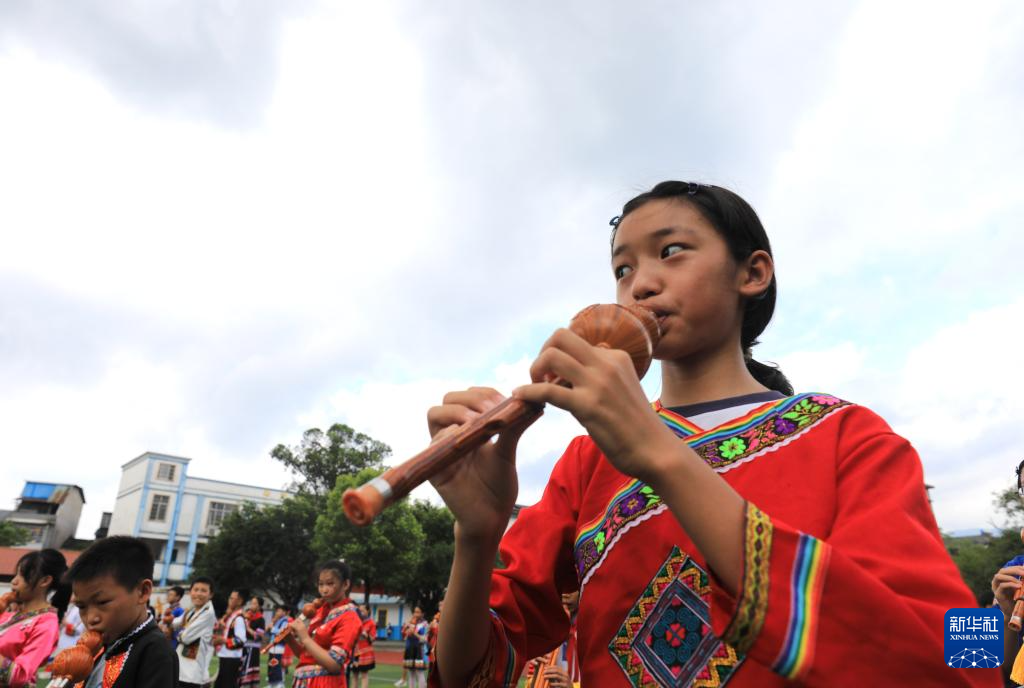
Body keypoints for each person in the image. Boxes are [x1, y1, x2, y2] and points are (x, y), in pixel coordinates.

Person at [429, 181, 1000, 687]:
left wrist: (660, 456)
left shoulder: (850, 437)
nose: (640, 285)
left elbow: (959, 668)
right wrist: (476, 537)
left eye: (670, 252)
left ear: (753, 273)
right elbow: (471, 672)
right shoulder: (584, 463)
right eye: (622, 269)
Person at [67, 535, 177, 687]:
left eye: (102, 602)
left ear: (143, 592)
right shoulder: (101, 644)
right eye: (81, 607)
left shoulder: (155, 652)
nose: (91, 619)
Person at [0, 549, 69, 687]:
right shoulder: (9, 615)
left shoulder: (47, 624)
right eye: (16, 574)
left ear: (45, 581)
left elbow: (20, 675)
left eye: (22, 575)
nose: (14, 581)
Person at [288, 560, 361, 688]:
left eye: (330, 584)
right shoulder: (320, 611)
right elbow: (306, 656)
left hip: (326, 683)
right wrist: (289, 639)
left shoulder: (350, 617)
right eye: (320, 584)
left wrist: (304, 637)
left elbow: (334, 665)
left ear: (345, 584)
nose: (324, 590)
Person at [174, 577, 216, 688]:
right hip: (181, 668)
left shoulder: (208, 613)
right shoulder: (193, 609)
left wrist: (176, 632)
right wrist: (176, 626)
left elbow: (185, 637)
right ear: (190, 592)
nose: (198, 593)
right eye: (196, 589)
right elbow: (176, 622)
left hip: (191, 673)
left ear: (210, 594)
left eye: (203, 590)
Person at [211, 589, 247, 688]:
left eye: (232, 598)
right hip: (226, 656)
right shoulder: (232, 616)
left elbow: (240, 641)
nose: (229, 600)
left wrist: (222, 640)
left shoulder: (238, 619)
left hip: (231, 658)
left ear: (239, 601)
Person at [238, 596, 265, 687]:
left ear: (259, 606)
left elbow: (258, 636)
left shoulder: (261, 619)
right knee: (241, 667)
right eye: (251, 603)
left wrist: (247, 627)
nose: (251, 605)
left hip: (253, 648)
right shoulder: (247, 616)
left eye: (254, 603)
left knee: (248, 668)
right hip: (244, 646)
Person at [401, 607, 428, 688]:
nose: (416, 614)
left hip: (419, 650)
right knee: (411, 672)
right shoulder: (410, 622)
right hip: (409, 649)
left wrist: (414, 633)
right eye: (415, 612)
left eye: (418, 612)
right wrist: (405, 630)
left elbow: (425, 639)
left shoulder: (425, 624)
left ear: (422, 613)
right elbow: (404, 636)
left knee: (419, 672)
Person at [266, 605, 292, 688]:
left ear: (284, 612)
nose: (277, 613)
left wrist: (272, 628)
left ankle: (279, 684)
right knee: (271, 665)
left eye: (279, 611)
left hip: (279, 646)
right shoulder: (277, 621)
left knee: (276, 666)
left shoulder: (285, 621)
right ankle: (272, 683)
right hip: (273, 646)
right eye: (277, 611)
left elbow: (282, 633)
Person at [351, 603, 376, 688]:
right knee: (354, 675)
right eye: (359, 610)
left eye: (362, 610)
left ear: (368, 611)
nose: (360, 612)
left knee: (364, 675)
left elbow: (372, 639)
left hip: (365, 653)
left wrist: (366, 635)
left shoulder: (371, 623)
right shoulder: (355, 621)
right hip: (355, 652)